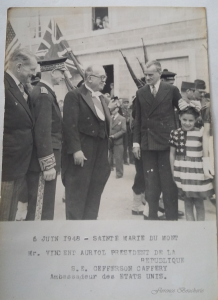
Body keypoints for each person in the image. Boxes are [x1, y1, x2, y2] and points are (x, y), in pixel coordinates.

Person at [133, 60, 188, 221]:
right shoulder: (140, 92)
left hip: (167, 145)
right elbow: (138, 120)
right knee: (151, 185)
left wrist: (183, 136)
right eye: (145, 75)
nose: (147, 78)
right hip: (148, 145)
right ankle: (152, 218)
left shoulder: (171, 90)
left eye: (150, 75)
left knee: (169, 184)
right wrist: (136, 143)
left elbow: (184, 112)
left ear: (159, 73)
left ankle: (171, 219)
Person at [62, 64, 116, 220]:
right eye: (102, 77)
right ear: (90, 78)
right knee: (77, 195)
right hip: (82, 154)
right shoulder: (74, 95)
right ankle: (75, 235)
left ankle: (89, 230)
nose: (105, 81)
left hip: (99, 157)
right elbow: (69, 126)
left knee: (94, 195)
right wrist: (76, 150)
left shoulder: (101, 98)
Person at [26, 57, 66, 221]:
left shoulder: (45, 92)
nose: (63, 76)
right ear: (53, 71)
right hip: (44, 162)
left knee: (44, 208)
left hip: (46, 159)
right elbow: (43, 132)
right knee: (40, 210)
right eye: (62, 72)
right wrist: (48, 165)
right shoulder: (43, 94)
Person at [0, 48, 38, 221]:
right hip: (7, 165)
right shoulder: (4, 85)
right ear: (20, 66)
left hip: (17, 164)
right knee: (4, 214)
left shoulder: (17, 87)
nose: (34, 74)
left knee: (9, 214)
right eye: (32, 70)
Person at [169, 106, 214, 221]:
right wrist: (173, 172)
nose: (187, 123)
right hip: (183, 174)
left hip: (197, 175)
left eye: (191, 120)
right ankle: (191, 230)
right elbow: (172, 154)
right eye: (184, 120)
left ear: (196, 120)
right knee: (187, 204)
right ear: (179, 118)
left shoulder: (200, 134)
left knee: (199, 204)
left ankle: (200, 229)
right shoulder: (175, 133)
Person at [109, 105, 126, 178]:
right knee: (109, 157)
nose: (112, 111)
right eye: (111, 110)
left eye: (113, 110)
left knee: (118, 158)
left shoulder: (122, 119)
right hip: (109, 140)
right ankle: (109, 171)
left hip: (118, 140)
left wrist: (115, 136)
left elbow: (124, 130)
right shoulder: (110, 118)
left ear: (117, 109)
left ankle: (119, 174)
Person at [122, 99, 134, 165]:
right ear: (122, 104)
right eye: (125, 103)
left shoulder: (130, 111)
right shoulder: (121, 111)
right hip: (125, 128)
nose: (126, 104)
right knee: (125, 145)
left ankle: (132, 160)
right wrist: (126, 120)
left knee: (130, 145)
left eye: (127, 103)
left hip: (130, 129)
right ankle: (125, 160)